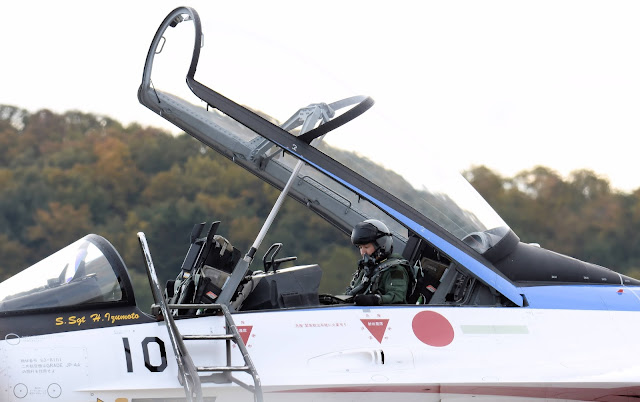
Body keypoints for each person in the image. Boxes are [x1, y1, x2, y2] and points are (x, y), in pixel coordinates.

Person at [345, 219, 410, 305]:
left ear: (381, 246)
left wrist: (374, 300)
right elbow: (351, 293)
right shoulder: (366, 269)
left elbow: (397, 296)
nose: (362, 252)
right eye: (360, 247)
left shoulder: (395, 269)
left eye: (366, 247)